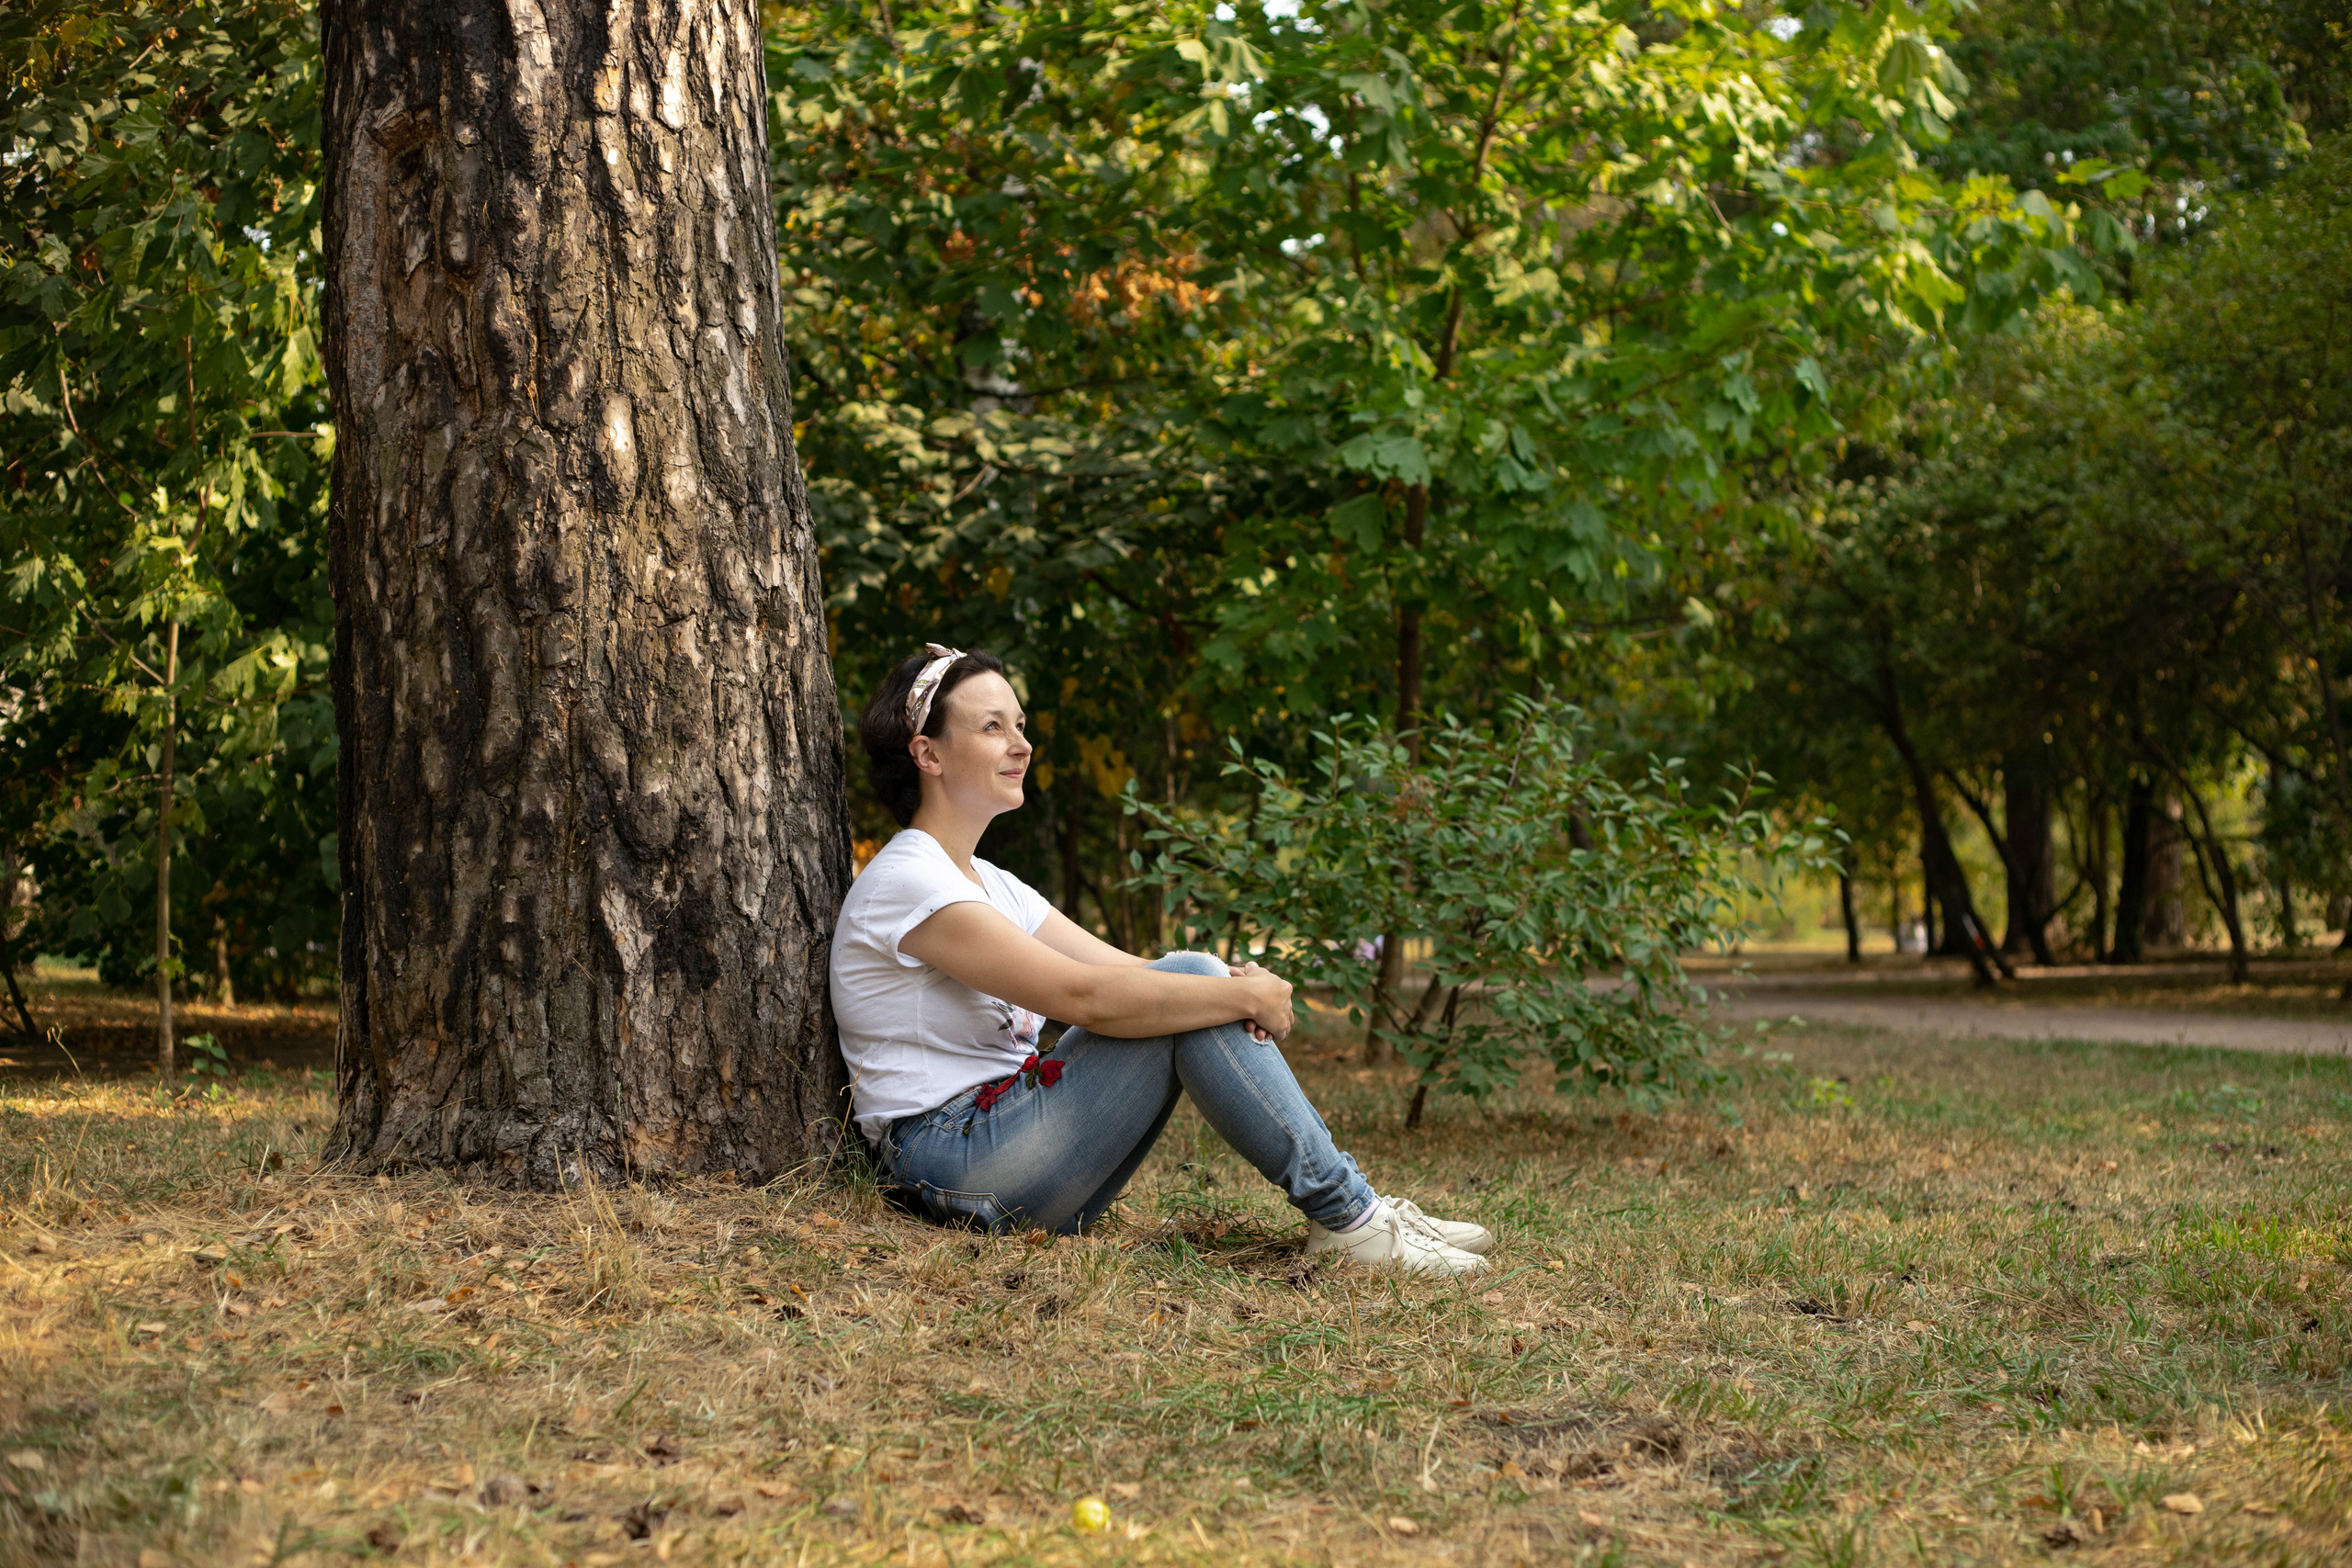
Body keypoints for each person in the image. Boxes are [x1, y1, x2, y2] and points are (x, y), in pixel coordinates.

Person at [828, 645, 1492, 1274]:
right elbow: (1084, 998)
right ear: (928, 753)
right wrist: (1234, 995)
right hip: (951, 1160)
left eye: (1021, 724)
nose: (1022, 744)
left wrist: (1234, 983)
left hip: (1010, 1151)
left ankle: (1357, 1212)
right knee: (1193, 984)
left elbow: (1137, 972)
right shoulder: (907, 880)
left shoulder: (991, 882)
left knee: (1189, 980)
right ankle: (1353, 1219)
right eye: (993, 726)